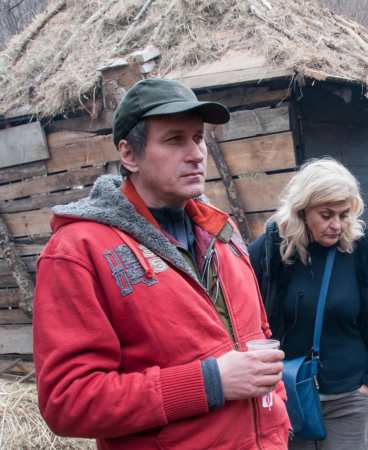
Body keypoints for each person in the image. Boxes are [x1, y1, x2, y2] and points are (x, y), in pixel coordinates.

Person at [33, 78, 291, 449]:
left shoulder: (222, 231)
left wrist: (278, 417)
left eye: (198, 138)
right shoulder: (78, 250)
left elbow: (258, 335)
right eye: (174, 140)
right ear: (129, 155)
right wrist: (210, 382)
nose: (196, 154)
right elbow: (68, 401)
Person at [249, 158, 368, 450]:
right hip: (290, 394)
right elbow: (242, 312)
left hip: (351, 396)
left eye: (344, 215)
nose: (336, 225)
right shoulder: (269, 252)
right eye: (326, 215)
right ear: (302, 210)